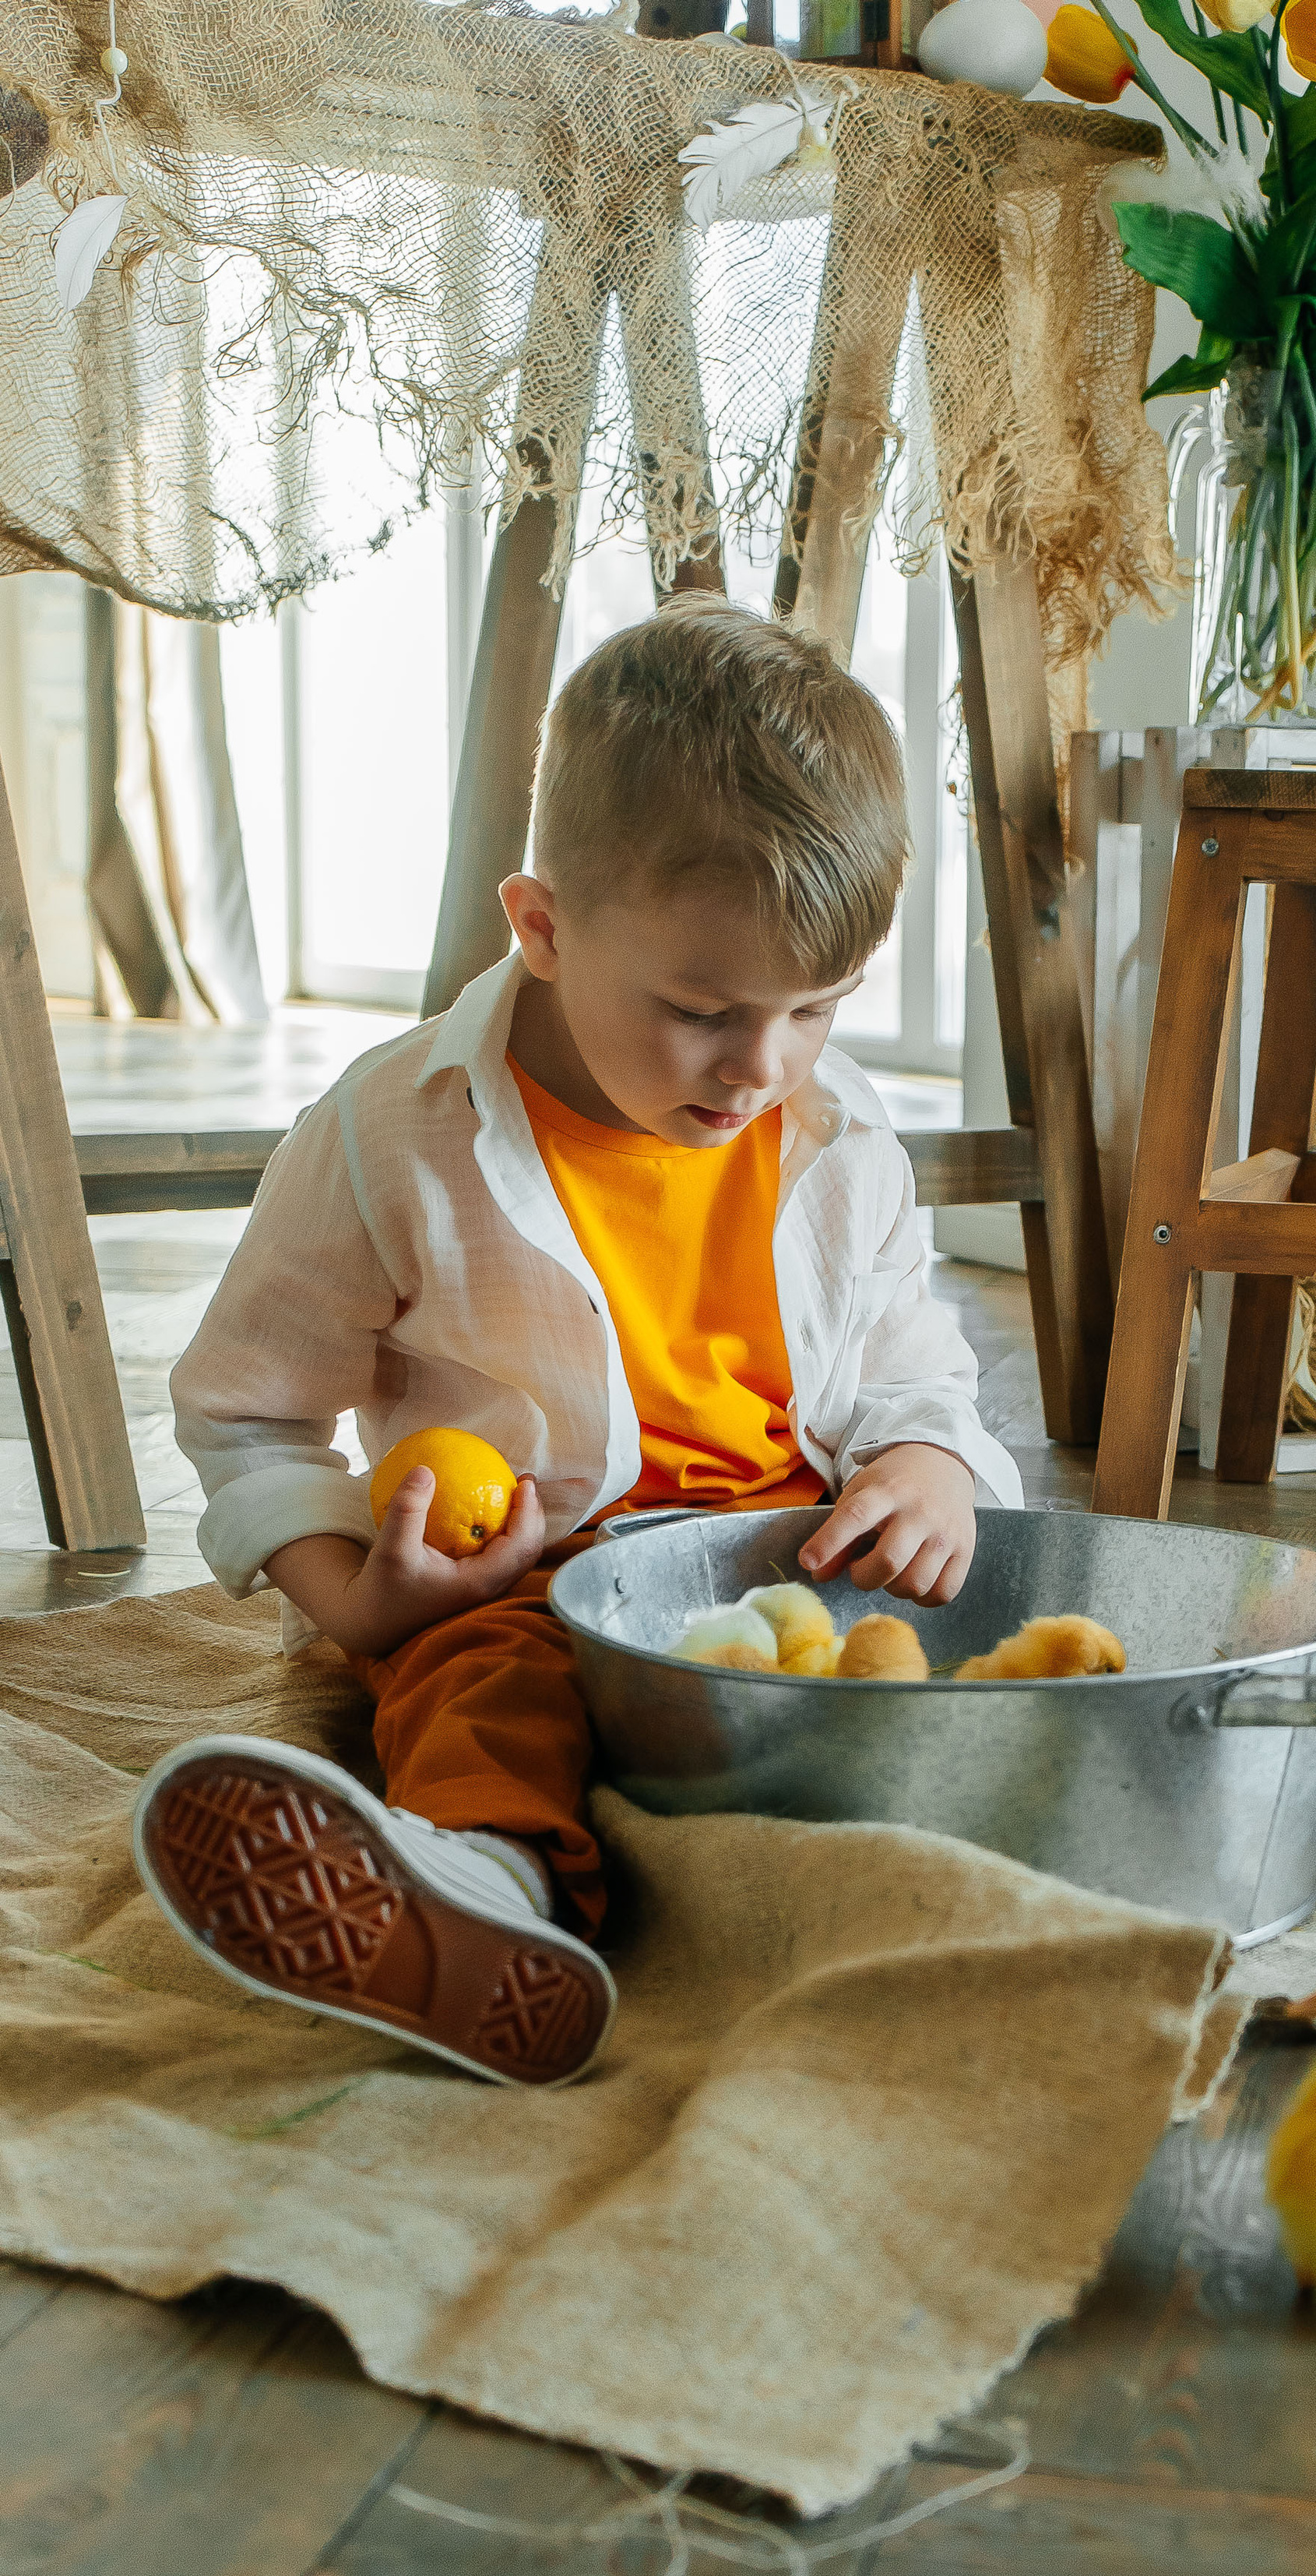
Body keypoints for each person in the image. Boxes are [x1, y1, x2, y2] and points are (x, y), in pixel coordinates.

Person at [133, 599, 1019, 2089]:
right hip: (533, 1580)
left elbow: (907, 1358)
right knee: (487, 1693)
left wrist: (930, 1458)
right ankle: (480, 1899)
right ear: (539, 926)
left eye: (817, 1009)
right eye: (701, 1010)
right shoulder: (389, 1136)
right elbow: (245, 1410)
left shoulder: (839, 1125)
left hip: (788, 1565)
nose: (763, 1067)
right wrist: (361, 1598)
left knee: (1014, 1647)